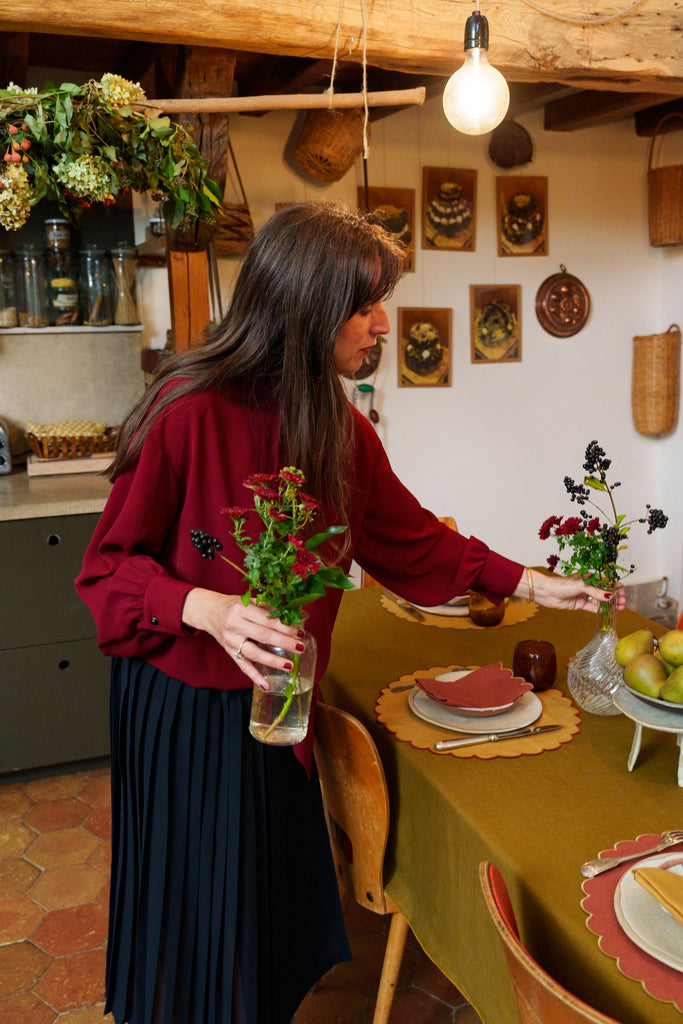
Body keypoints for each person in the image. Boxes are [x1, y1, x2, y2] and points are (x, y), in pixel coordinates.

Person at [75, 202, 620, 1024]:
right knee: (198, 911)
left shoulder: (336, 425)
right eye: (364, 305)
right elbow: (107, 572)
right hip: (187, 707)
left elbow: (415, 546)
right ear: (305, 306)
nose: (382, 324)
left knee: (258, 908)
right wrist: (207, 607)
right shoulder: (187, 409)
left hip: (283, 702)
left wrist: (535, 583)